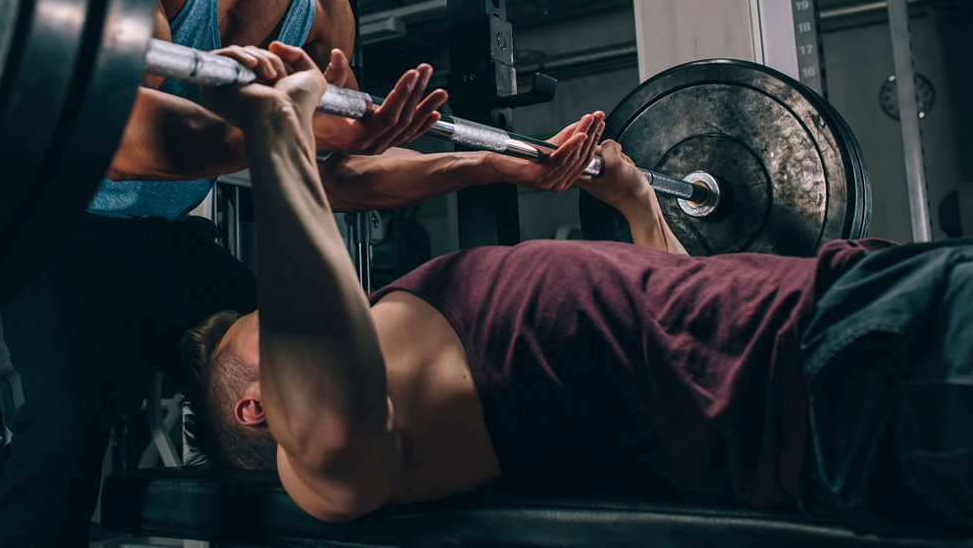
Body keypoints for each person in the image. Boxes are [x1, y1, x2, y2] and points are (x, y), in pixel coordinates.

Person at [0, 0, 606, 547]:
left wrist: (492, 170)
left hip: (169, 240)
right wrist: (293, 131)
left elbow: (330, 183)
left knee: (322, 393)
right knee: (69, 429)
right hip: (53, 230)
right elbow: (128, 139)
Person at [178, 41, 973, 538]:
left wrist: (634, 201)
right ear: (258, 408)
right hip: (833, 380)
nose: (281, 300)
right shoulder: (322, 465)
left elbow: (673, 303)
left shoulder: (395, 327)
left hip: (851, 308)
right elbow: (334, 425)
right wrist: (276, 133)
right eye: (267, 319)